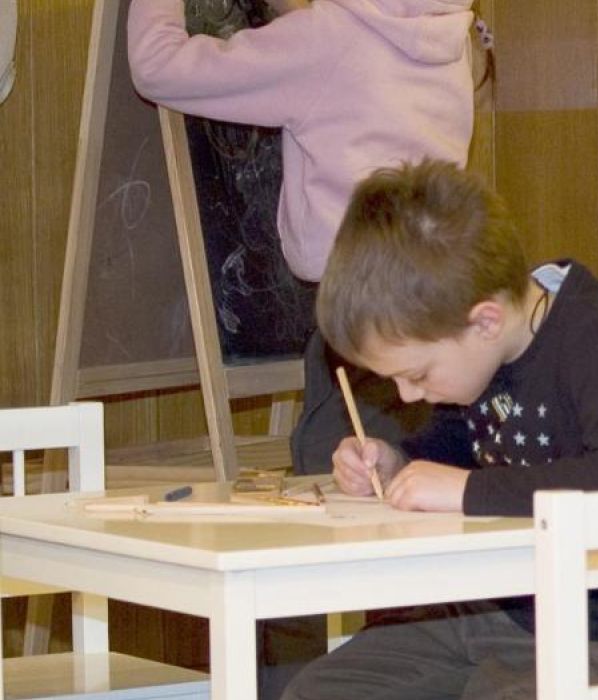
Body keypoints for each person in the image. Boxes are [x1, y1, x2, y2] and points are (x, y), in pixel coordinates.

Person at [126, 3, 481, 693]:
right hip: (440, 317)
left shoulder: (329, 37)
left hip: (361, 326)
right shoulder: (444, 28)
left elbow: (159, 67)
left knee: (307, 546)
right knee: (405, 545)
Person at [280, 159, 598, 698]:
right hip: (500, 610)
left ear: (485, 321)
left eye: (417, 375)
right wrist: (396, 463)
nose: (407, 396)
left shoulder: (597, 339)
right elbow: (461, 447)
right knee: (319, 691)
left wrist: (465, 490)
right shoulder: (479, 358)